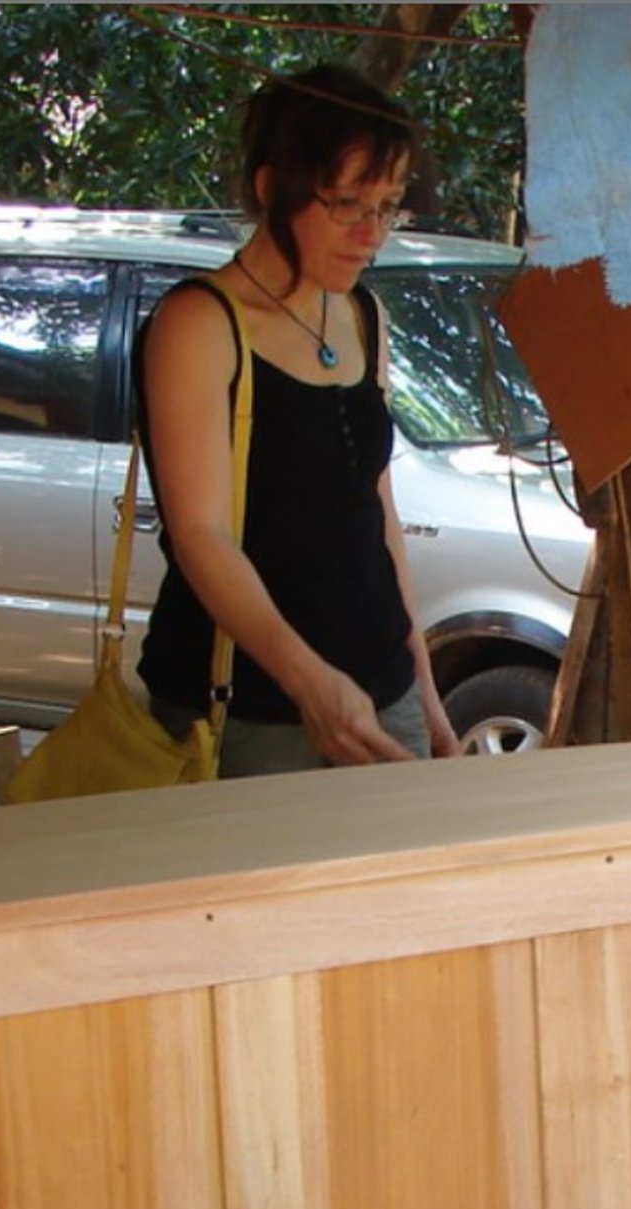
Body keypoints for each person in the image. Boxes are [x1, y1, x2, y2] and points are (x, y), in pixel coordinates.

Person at [137, 64, 457, 776]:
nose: (371, 232)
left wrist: (423, 681)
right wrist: (309, 681)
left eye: (389, 206)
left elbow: (375, 511)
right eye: (347, 205)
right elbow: (200, 535)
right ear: (270, 187)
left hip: (383, 688)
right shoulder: (200, 322)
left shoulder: (362, 313)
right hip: (244, 708)